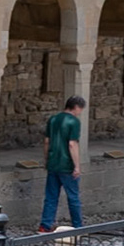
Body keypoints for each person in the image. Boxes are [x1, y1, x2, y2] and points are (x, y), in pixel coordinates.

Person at [40, 95, 86, 232]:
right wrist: (77, 165)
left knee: (51, 197)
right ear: (76, 107)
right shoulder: (74, 122)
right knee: (73, 197)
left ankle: (45, 225)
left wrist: (46, 159)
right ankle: (77, 226)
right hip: (67, 165)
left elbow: (47, 141)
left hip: (53, 163)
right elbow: (72, 144)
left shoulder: (53, 119)